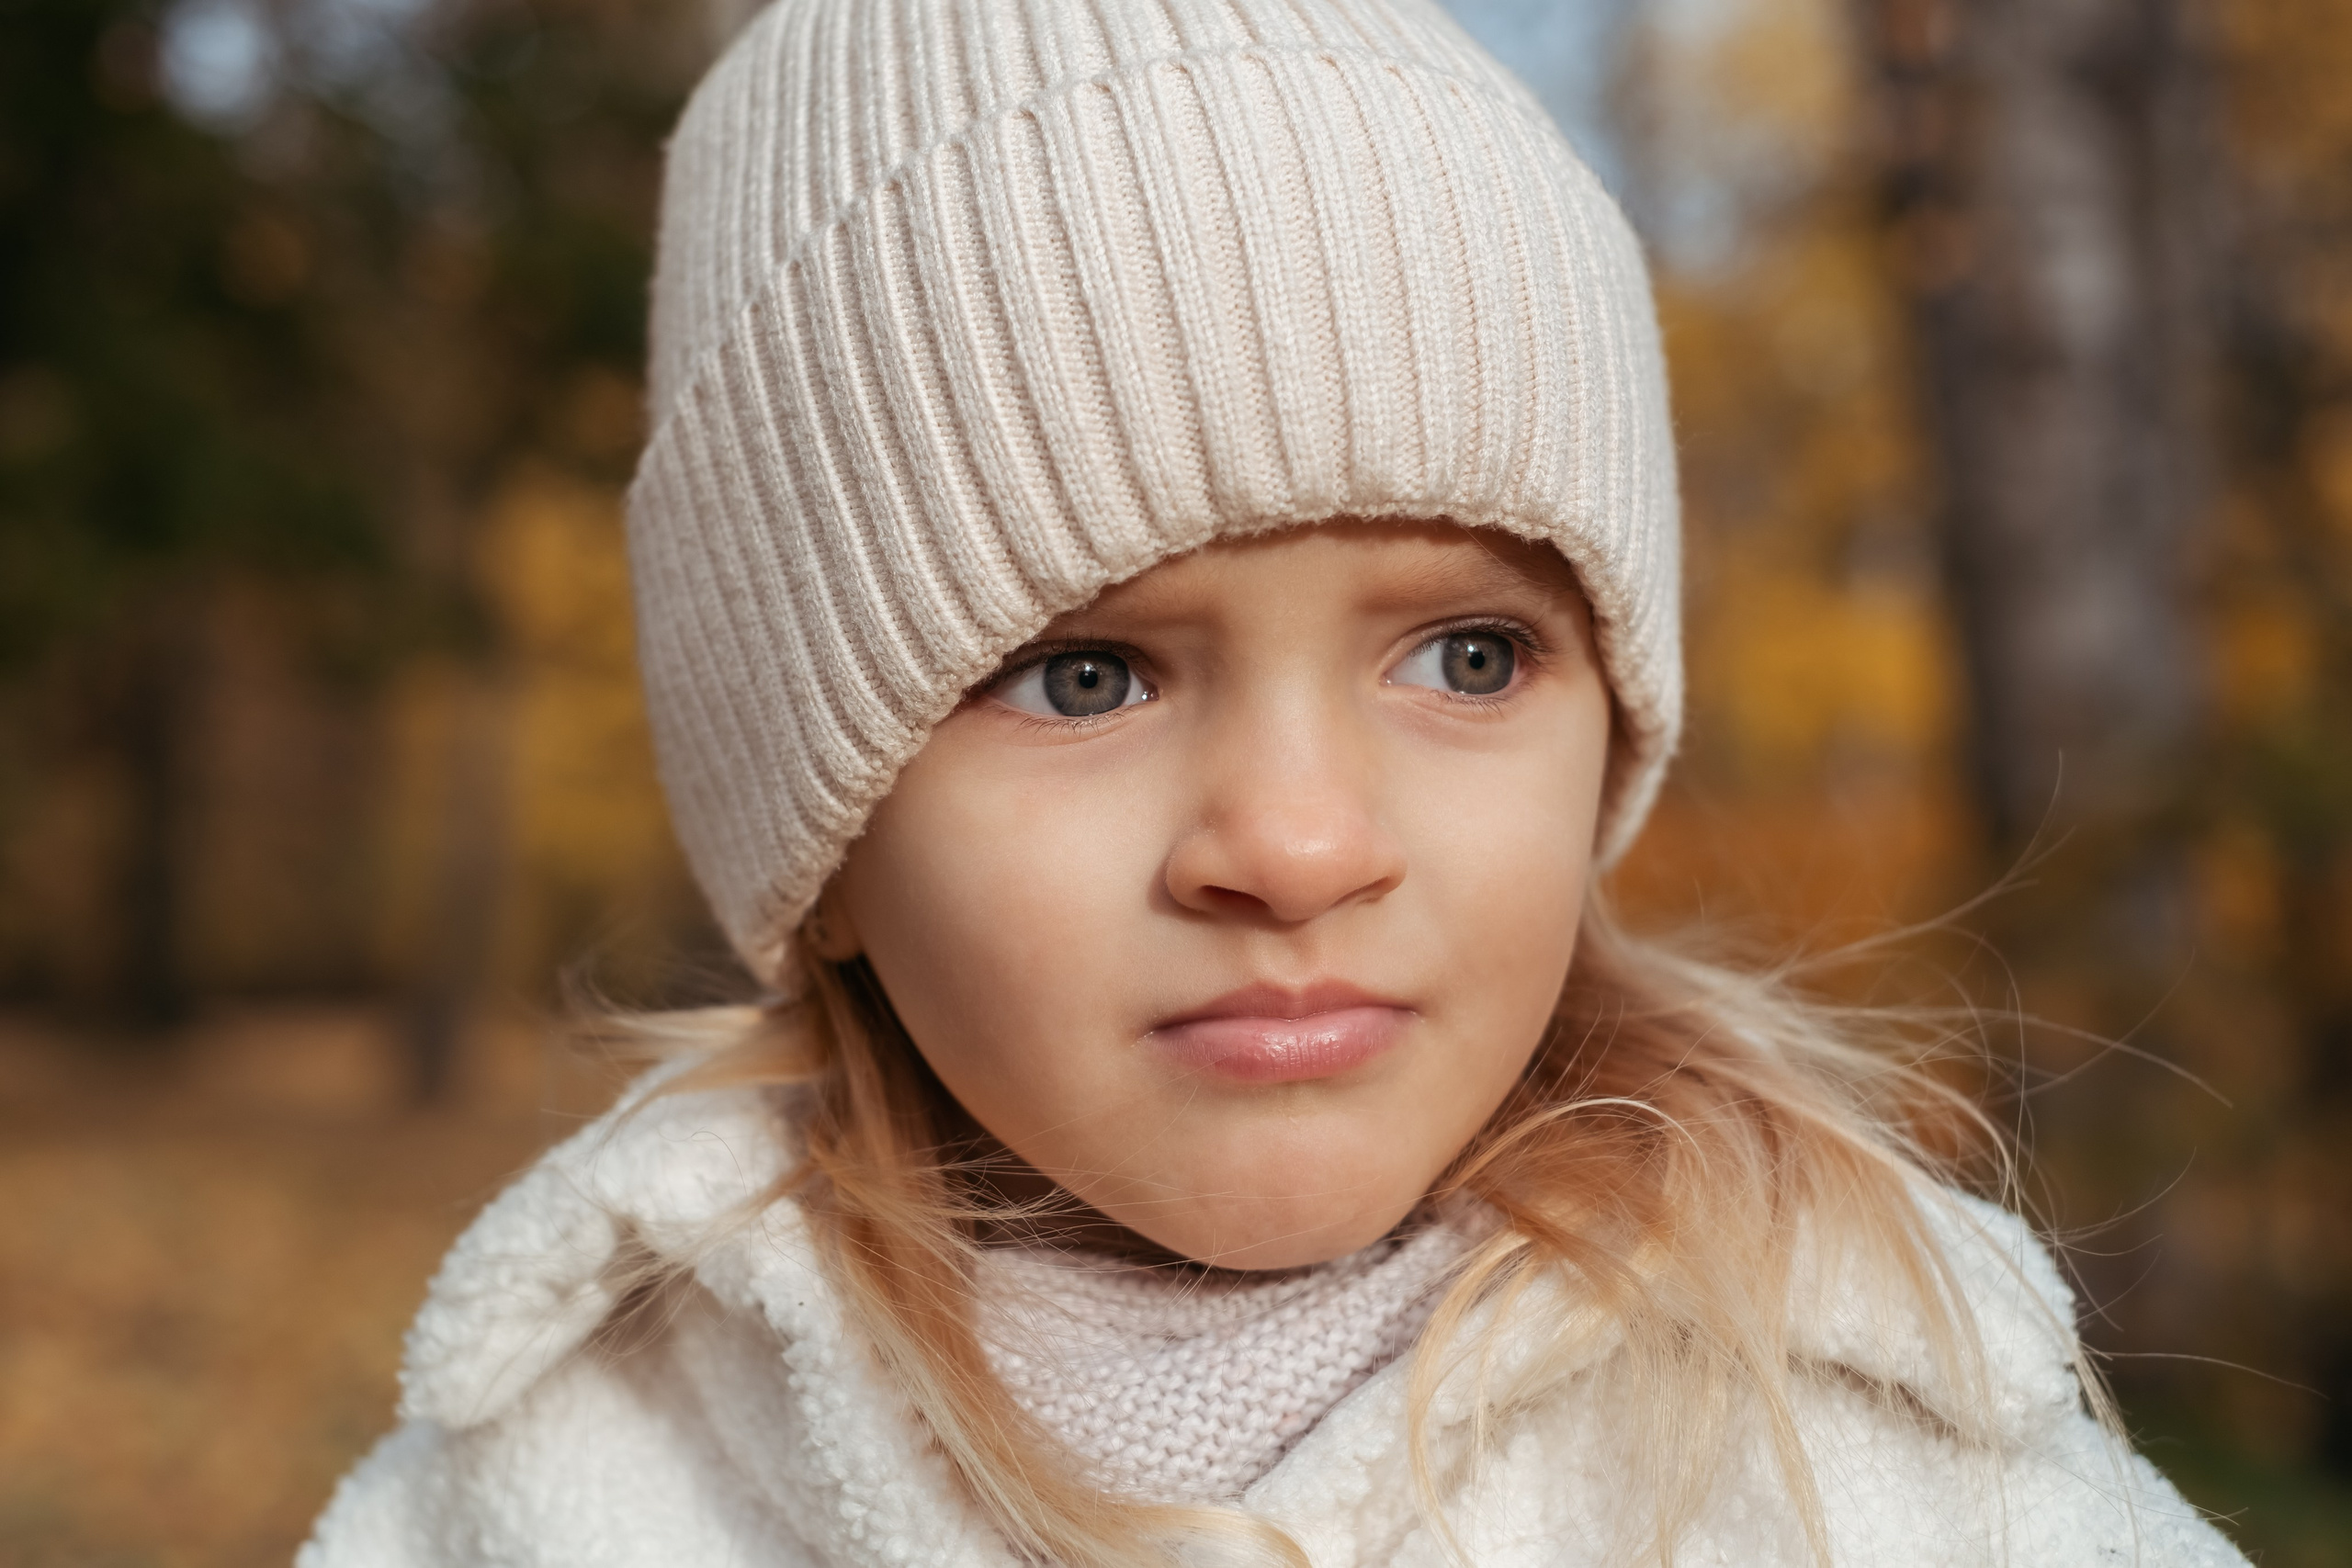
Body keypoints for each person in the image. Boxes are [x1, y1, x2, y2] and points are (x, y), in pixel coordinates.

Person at [300, 0, 2248, 1562]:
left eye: (1465, 655)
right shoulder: (571, 1479)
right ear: (820, 835)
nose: (1298, 842)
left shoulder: (1881, 1464)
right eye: (1083, 674)